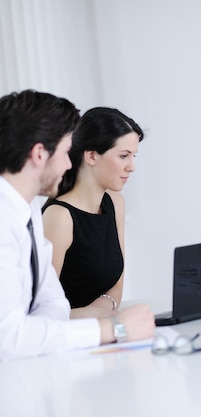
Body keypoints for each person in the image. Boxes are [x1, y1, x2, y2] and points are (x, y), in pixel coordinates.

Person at [0, 90, 154, 360]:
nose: (71, 163)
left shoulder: (28, 211)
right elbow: (10, 336)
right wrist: (113, 328)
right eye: (65, 152)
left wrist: (51, 328)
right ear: (39, 154)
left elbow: (51, 303)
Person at [42, 107, 143, 319]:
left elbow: (116, 287)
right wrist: (96, 316)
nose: (132, 166)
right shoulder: (59, 217)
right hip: (64, 340)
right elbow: (41, 313)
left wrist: (101, 312)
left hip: (101, 331)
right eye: (123, 156)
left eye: (133, 156)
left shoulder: (116, 203)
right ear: (91, 156)